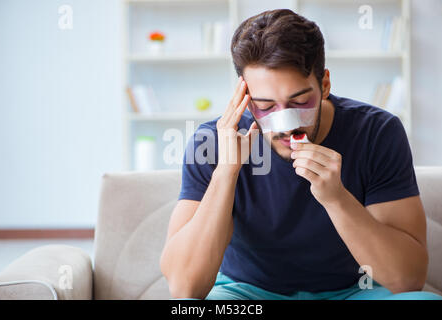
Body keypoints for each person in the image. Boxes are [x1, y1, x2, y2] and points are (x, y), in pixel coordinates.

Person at [159, 9, 442, 300]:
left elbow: (407, 280)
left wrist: (337, 199)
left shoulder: (377, 132)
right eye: (265, 106)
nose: (285, 124)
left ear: (325, 85)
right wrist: (226, 173)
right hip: (247, 294)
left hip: (356, 291)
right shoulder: (212, 142)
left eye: (300, 101)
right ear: (244, 97)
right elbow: (185, 290)